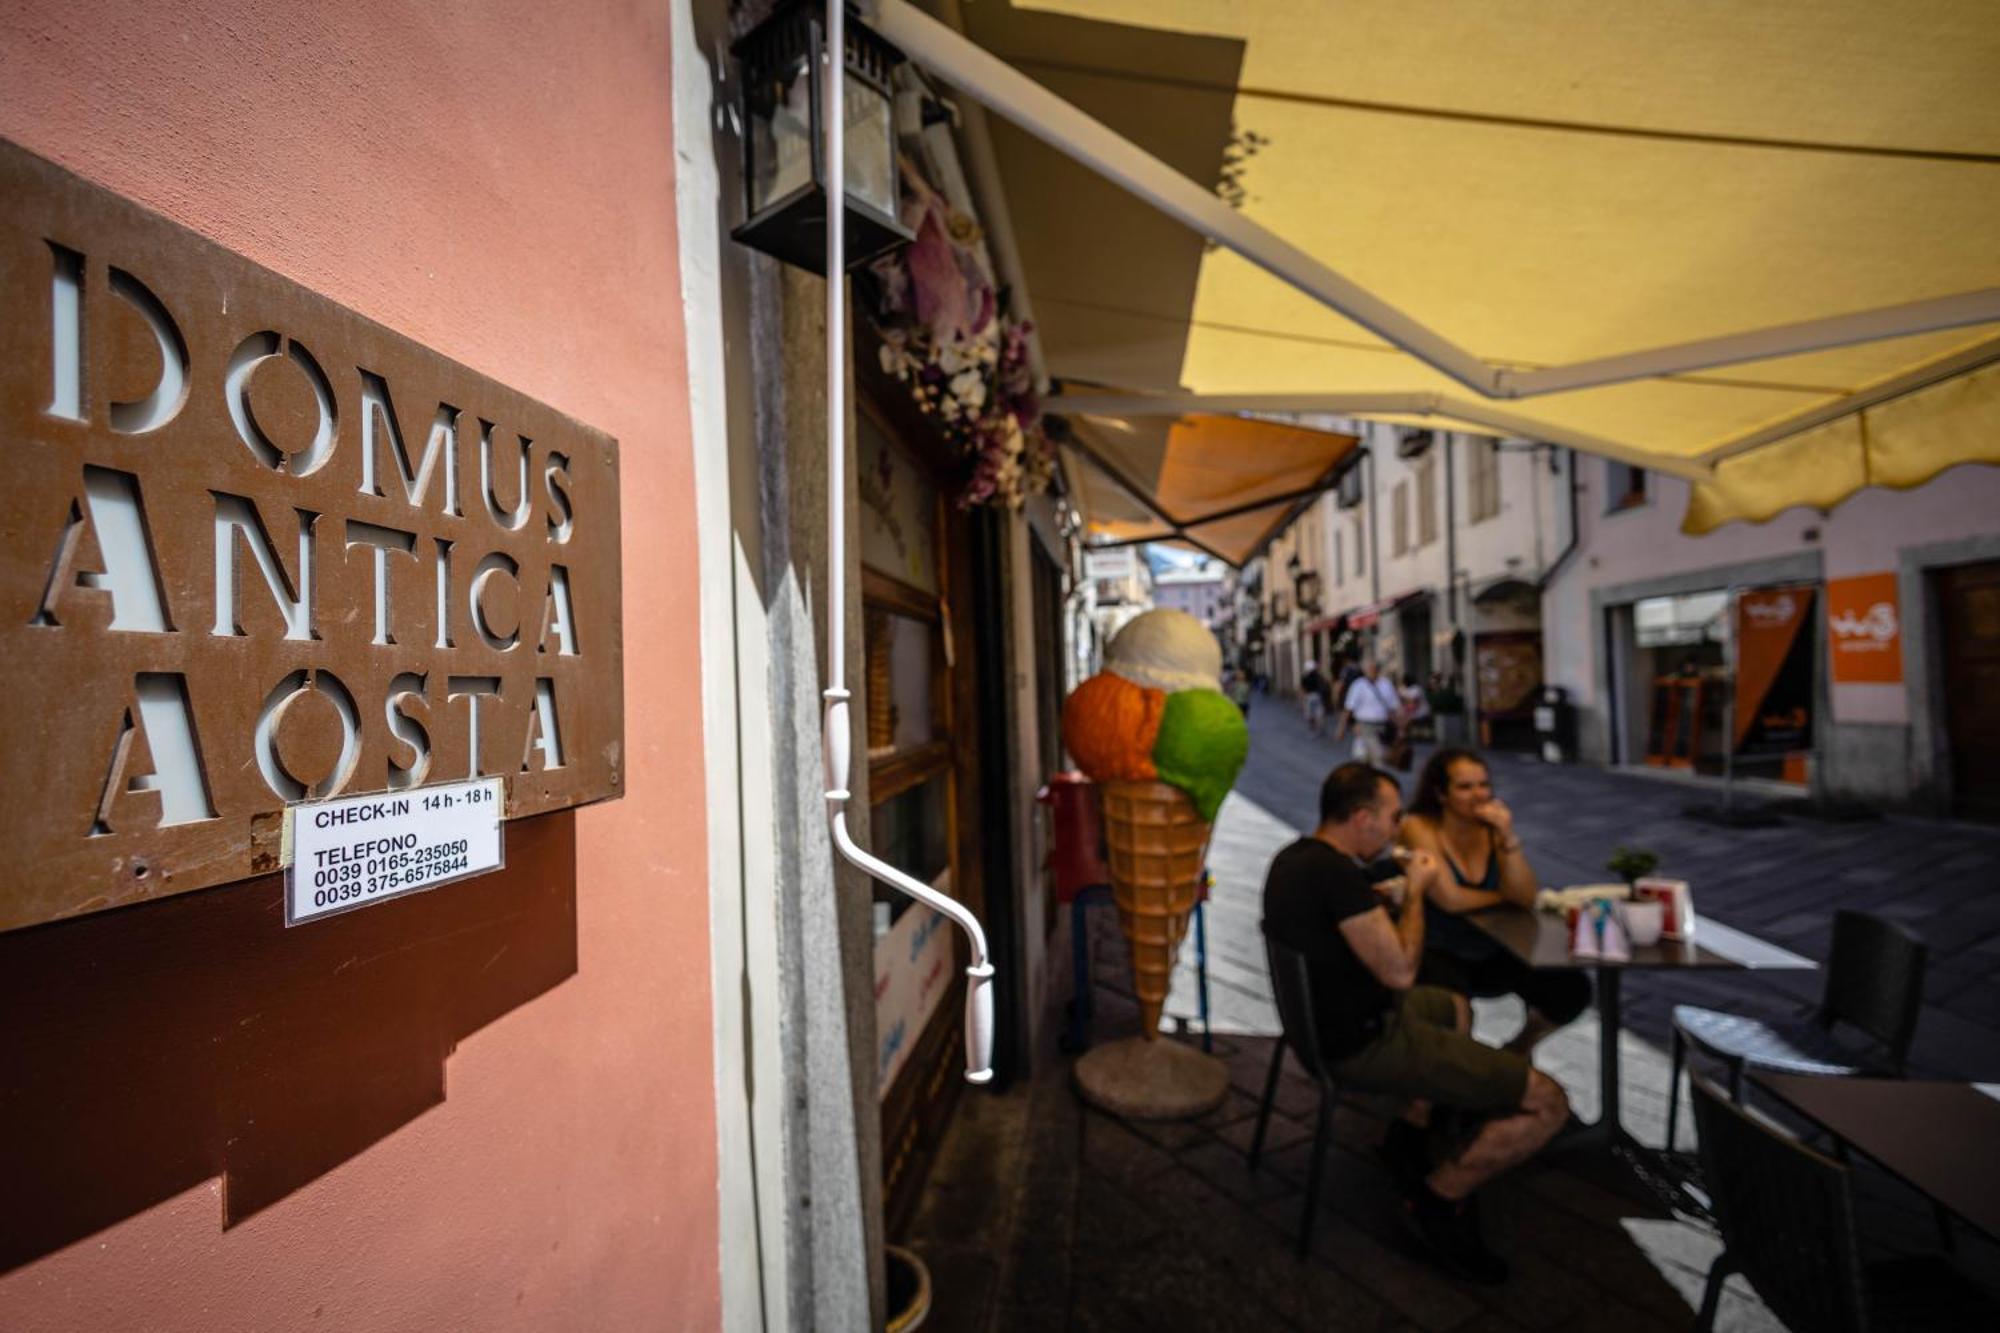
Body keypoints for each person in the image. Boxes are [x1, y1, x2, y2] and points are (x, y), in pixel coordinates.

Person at [1263, 763, 1568, 1283]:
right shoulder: (1339, 878)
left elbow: (1346, 924)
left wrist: (1384, 897)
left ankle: (1411, 1132)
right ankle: (1435, 1201)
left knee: (1456, 1008)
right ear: (1361, 817)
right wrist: (1419, 893)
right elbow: (1401, 970)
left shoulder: (1297, 860)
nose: (1395, 826)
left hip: (1325, 1023)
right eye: (1390, 815)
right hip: (1363, 1040)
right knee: (1548, 1102)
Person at [1399, 749, 1590, 1052]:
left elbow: (1525, 896)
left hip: (1495, 947)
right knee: (1454, 1013)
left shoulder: (1492, 829)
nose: (1478, 795)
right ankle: (1466, 1077)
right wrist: (1502, 896)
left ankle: (1518, 1050)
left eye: (1483, 785)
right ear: (1441, 793)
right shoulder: (1418, 825)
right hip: (1438, 947)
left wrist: (1508, 837)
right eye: (1465, 787)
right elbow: (1450, 899)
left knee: (1571, 988)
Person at [1337, 660, 1402, 765]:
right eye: (1369, 669)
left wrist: (1400, 727)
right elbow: (1348, 708)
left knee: (1375, 756)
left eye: (1374, 669)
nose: (1371, 671)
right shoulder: (1358, 685)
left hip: (1382, 726)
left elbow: (1395, 707)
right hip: (1364, 725)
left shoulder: (1386, 684)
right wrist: (1342, 728)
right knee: (1368, 755)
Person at [1399, 672, 1431, 741]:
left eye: (1403, 681)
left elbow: (1413, 704)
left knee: (1404, 723)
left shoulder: (1416, 689)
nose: (1402, 683)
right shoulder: (1407, 690)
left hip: (1421, 713)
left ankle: (1404, 738)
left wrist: (1403, 699)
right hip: (1415, 714)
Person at [1299, 659, 1328, 735]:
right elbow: (1324, 684)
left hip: (1309, 696)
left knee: (1310, 714)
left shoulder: (1304, 677)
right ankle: (1321, 729)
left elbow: (1302, 689)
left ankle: (1313, 730)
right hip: (1318, 696)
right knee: (1319, 713)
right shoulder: (1319, 676)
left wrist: (1302, 700)